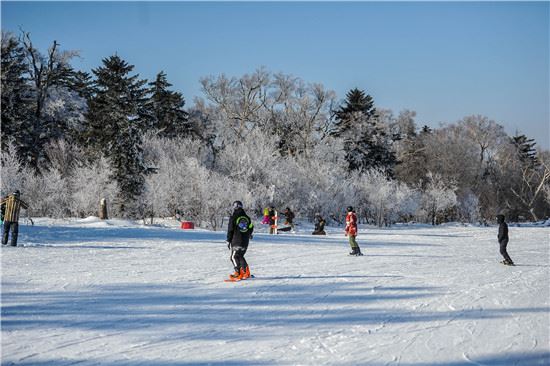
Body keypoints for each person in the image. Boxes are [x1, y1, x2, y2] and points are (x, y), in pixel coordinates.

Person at [226, 200, 254, 281]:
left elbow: (230, 229)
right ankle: (246, 272)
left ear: (235, 207)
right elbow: (251, 227)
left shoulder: (233, 217)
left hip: (236, 240)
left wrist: (228, 240)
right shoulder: (247, 218)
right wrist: (249, 234)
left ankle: (238, 273)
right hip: (245, 241)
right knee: (240, 256)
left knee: (234, 257)